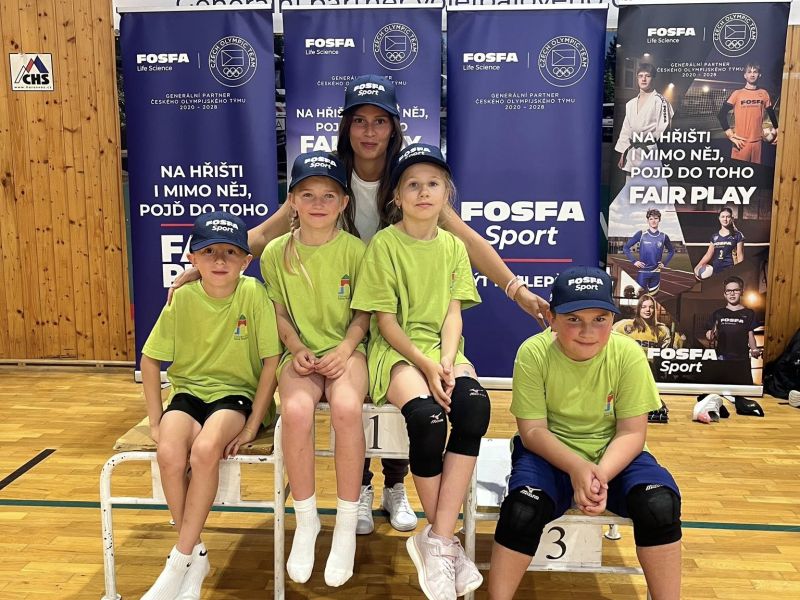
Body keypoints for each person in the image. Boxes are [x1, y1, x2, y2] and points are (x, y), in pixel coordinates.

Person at [169, 74, 550, 536]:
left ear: (394, 128)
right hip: (348, 309)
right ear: (346, 127)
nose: (369, 131)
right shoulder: (327, 176)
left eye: (380, 121)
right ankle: (363, 488)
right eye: (360, 121)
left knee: (405, 404)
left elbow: (467, 239)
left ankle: (396, 484)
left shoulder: (409, 176)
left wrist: (515, 288)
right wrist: (210, 260)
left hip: (395, 312)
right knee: (356, 403)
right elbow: (267, 232)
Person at [488, 266, 682, 600]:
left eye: (600, 319)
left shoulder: (628, 354)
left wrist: (598, 477)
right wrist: (577, 468)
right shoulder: (533, 353)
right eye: (574, 319)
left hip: (613, 454)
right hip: (549, 453)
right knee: (522, 510)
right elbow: (532, 431)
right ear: (551, 318)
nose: (587, 331)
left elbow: (632, 433)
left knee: (659, 504)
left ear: (613, 319)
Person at [351, 144, 491, 600]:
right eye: (412, 184)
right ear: (397, 195)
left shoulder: (452, 245)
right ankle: (444, 540)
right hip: (396, 352)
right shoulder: (383, 245)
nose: (423, 191)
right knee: (428, 419)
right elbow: (386, 323)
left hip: (442, 350)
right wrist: (427, 365)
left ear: (446, 193)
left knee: (474, 408)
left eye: (433, 183)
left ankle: (437, 539)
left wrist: (447, 360)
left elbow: (453, 314)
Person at [139, 212, 281, 600]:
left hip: (235, 394)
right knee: (169, 452)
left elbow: (271, 361)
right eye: (209, 251)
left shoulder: (253, 293)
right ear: (193, 258)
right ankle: (196, 553)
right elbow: (150, 361)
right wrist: (156, 420)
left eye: (230, 252)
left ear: (246, 260)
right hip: (189, 393)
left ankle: (178, 560)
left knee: (204, 450)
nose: (220, 260)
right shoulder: (183, 297)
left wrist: (252, 425)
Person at [261, 152, 370, 587]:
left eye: (329, 195)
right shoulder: (276, 253)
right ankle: (306, 519)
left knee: (346, 408)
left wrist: (345, 348)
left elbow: (364, 313)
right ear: (292, 201)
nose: (318, 203)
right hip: (300, 354)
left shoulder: (357, 251)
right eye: (307, 195)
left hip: (348, 352)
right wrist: (296, 347)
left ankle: (345, 522)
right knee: (296, 411)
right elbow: (278, 312)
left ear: (344, 202)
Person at [615, 63, 673, 175]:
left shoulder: (660, 101)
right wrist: (623, 153)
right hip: (631, 153)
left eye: (648, 76)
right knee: (630, 183)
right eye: (640, 76)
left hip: (650, 152)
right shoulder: (630, 104)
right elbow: (626, 130)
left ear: (653, 78)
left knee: (649, 185)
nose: (644, 79)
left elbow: (664, 130)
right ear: (637, 78)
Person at [717, 63, 779, 164]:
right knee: (738, 172)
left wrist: (777, 130)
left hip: (758, 142)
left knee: (756, 172)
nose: (752, 74)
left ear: (759, 75)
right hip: (741, 142)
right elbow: (721, 115)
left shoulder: (764, 93)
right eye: (749, 72)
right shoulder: (737, 94)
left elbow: (771, 112)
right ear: (745, 75)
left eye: (755, 72)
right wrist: (730, 135)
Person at [705, 276, 762, 361]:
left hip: (742, 358)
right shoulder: (718, 313)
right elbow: (710, 332)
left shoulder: (749, 313)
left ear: (742, 292)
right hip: (722, 357)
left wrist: (754, 349)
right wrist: (709, 335)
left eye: (736, 290)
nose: (732, 294)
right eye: (728, 291)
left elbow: (750, 335)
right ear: (725, 294)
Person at [623, 208, 675, 294]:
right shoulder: (641, 234)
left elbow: (671, 251)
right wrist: (634, 261)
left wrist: (664, 263)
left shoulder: (664, 236)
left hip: (656, 273)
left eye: (656, 218)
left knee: (654, 298)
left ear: (659, 220)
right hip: (643, 272)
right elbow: (626, 247)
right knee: (640, 297)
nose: (653, 221)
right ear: (647, 221)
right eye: (651, 219)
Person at [694, 206, 744, 278]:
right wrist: (697, 267)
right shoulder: (714, 236)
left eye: (728, 217)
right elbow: (708, 254)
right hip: (716, 272)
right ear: (719, 218)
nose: (725, 219)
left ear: (732, 219)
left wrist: (739, 271)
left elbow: (740, 255)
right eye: (723, 217)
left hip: (731, 271)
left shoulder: (737, 235)